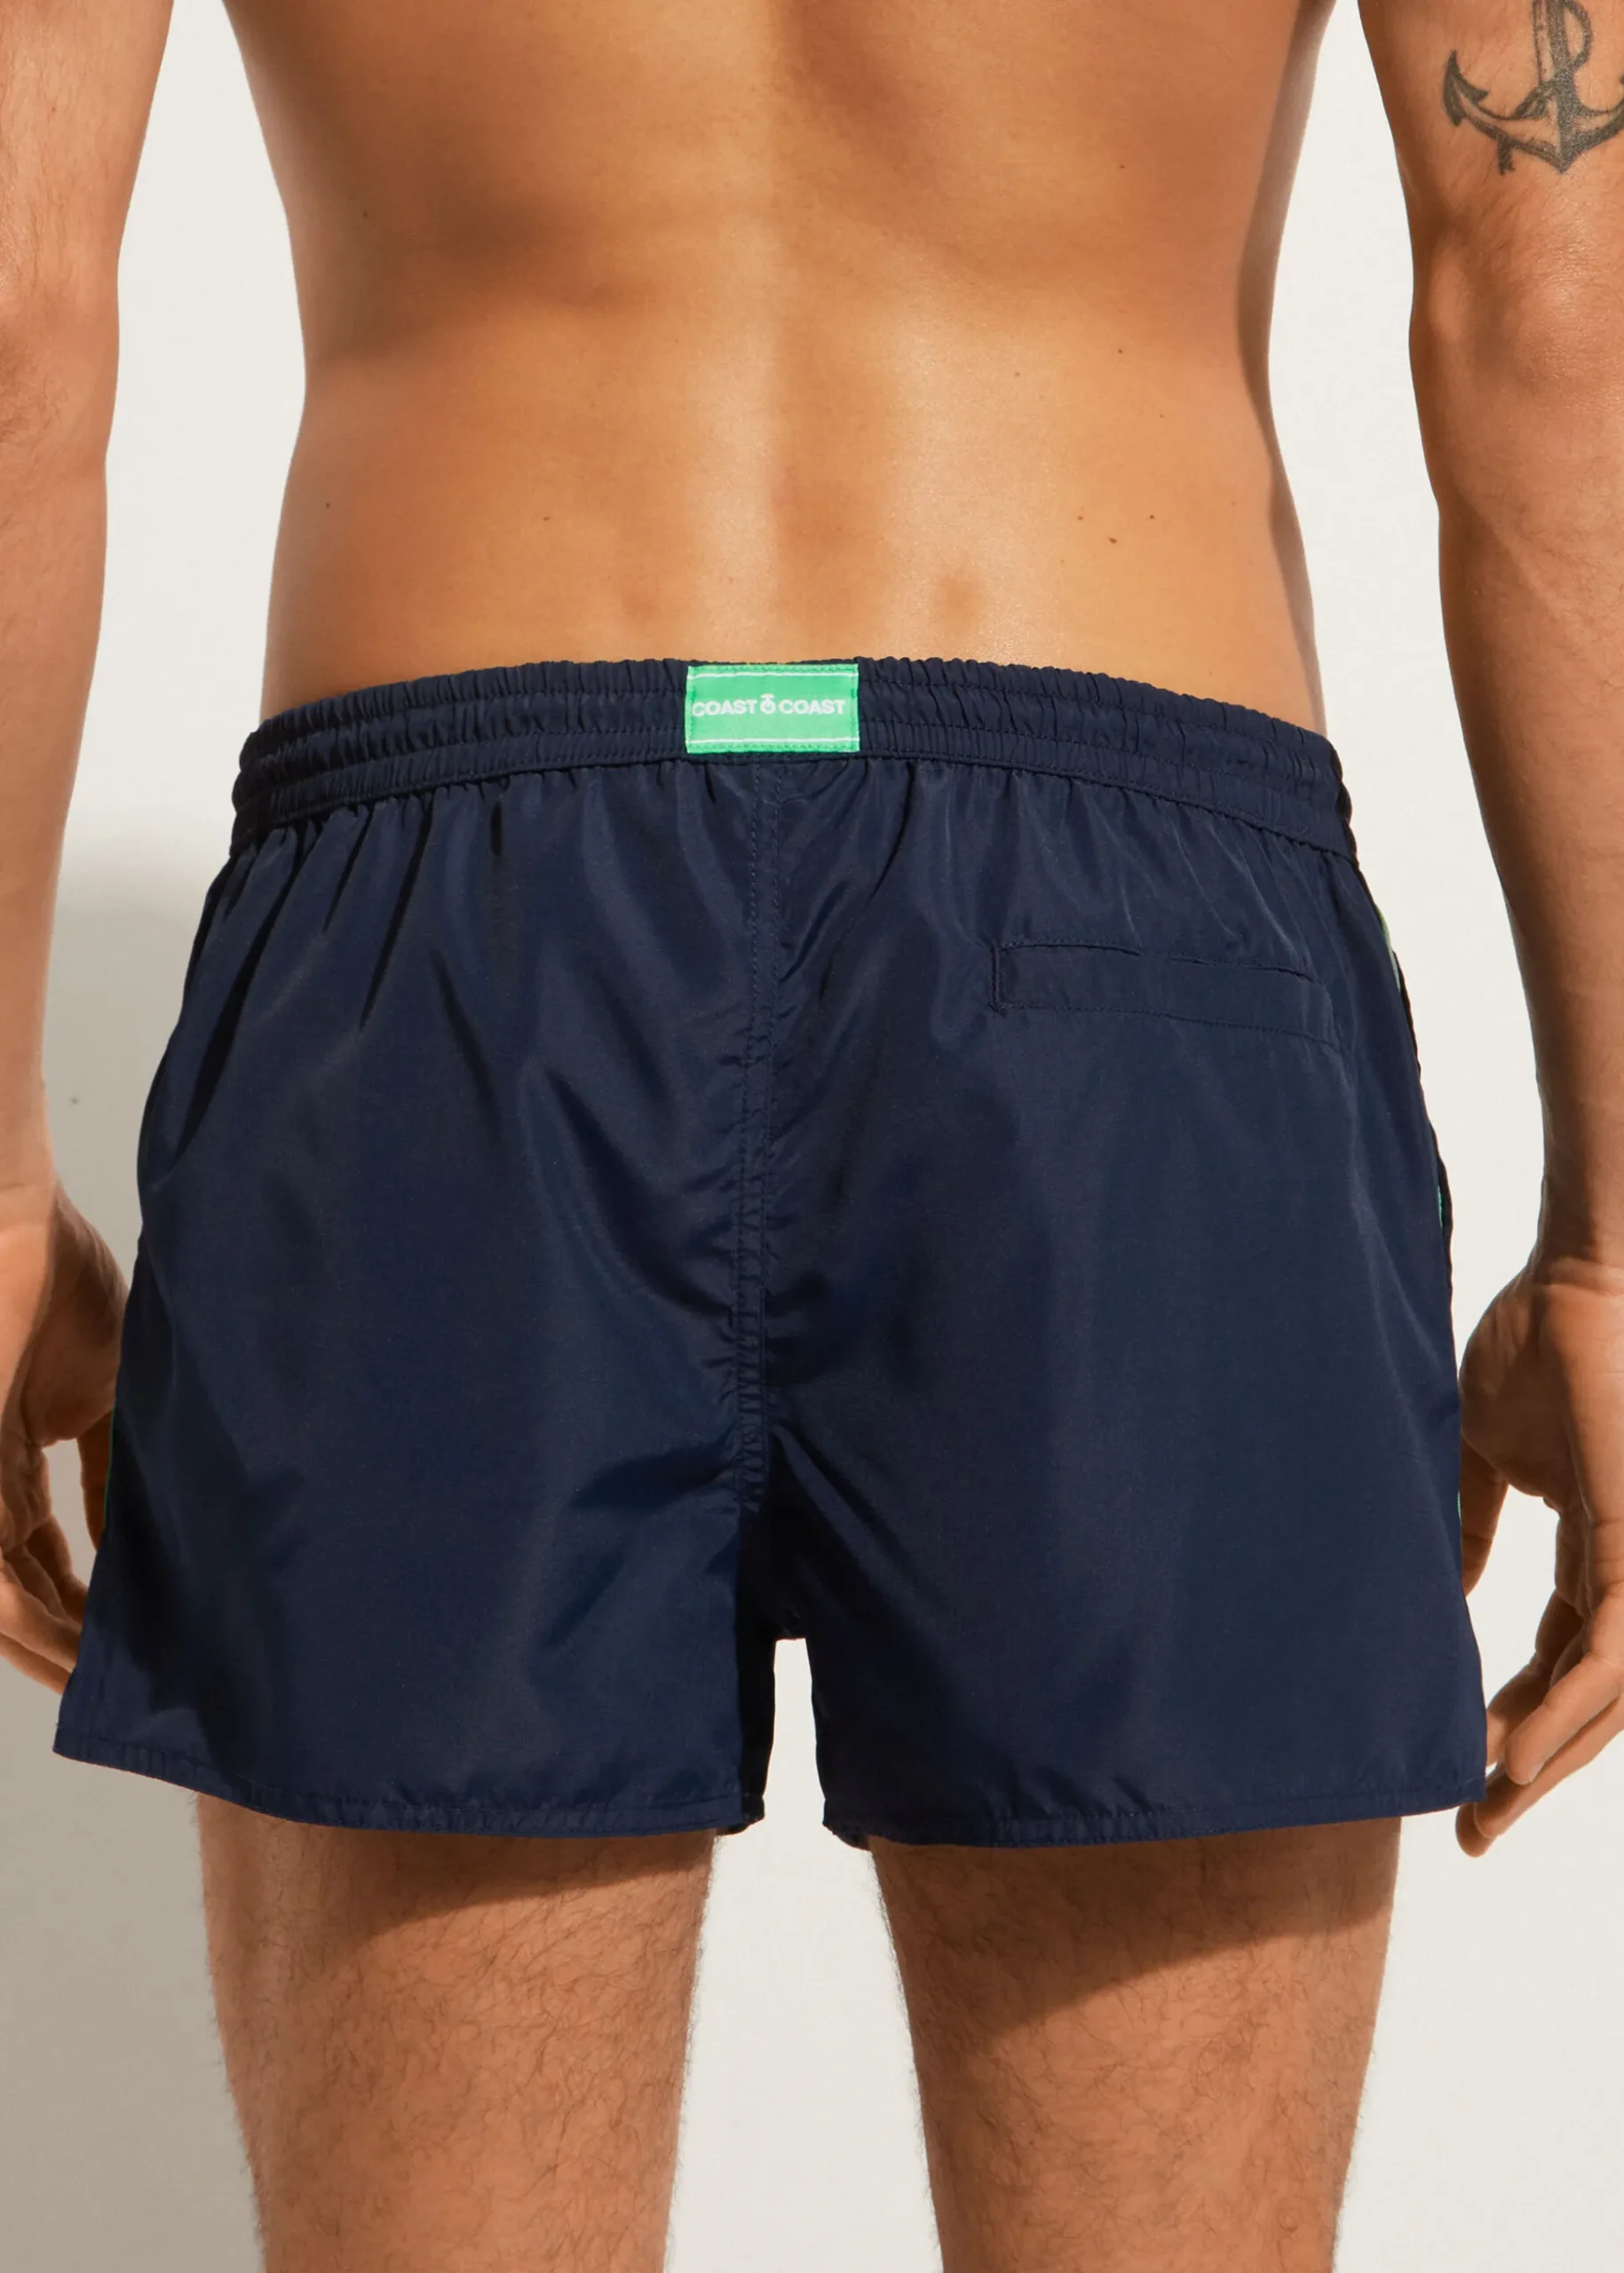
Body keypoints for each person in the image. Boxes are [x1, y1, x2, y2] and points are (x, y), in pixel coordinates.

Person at [3, 0, 1621, 2266]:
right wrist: (1608, 1238)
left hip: (457, 914)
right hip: (1126, 921)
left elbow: (16, 312)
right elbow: (1550, 305)